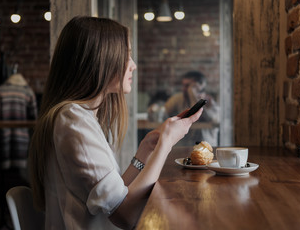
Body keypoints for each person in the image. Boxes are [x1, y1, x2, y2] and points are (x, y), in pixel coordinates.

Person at [28, 16, 202, 230]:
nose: (134, 65)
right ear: (100, 60)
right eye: (127, 55)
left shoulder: (77, 117)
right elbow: (126, 216)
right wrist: (166, 143)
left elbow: (114, 197)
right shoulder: (72, 121)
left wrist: (145, 152)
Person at [164, 71, 220, 146]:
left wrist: (195, 98)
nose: (184, 89)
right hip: (185, 146)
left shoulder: (209, 100)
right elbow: (163, 112)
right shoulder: (179, 98)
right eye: (183, 85)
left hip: (206, 145)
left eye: (188, 86)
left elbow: (213, 119)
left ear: (200, 86)